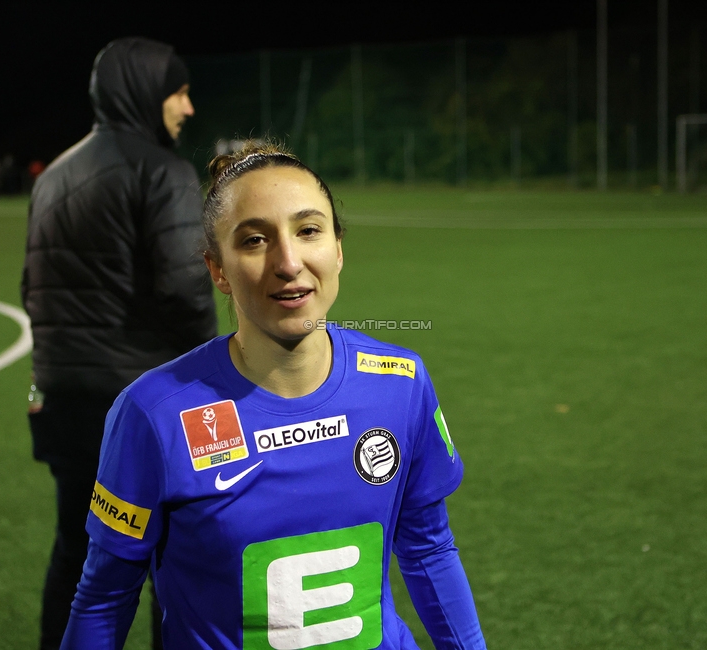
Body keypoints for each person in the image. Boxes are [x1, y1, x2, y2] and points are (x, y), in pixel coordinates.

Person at [60, 143, 486, 650]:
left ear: (338, 248)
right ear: (218, 269)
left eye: (309, 230)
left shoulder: (401, 382)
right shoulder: (154, 414)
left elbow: (429, 549)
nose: (288, 262)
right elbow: (106, 598)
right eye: (255, 239)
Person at [21, 37, 217, 650]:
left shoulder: (53, 175)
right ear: (146, 91)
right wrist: (215, 375)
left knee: (79, 557)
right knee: (173, 562)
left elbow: (31, 288)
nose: (187, 106)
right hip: (142, 407)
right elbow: (187, 290)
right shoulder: (161, 169)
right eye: (177, 91)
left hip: (65, 400)